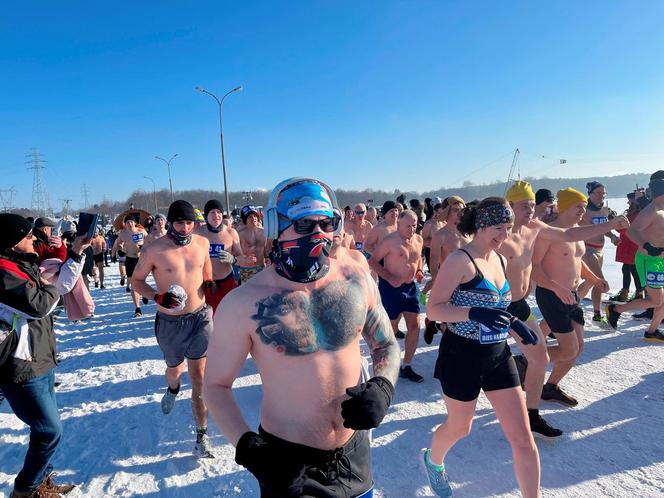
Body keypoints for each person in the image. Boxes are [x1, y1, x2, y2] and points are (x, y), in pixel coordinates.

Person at [204, 177, 400, 497]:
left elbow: (385, 343)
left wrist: (383, 386)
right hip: (286, 464)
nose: (318, 234)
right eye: (304, 224)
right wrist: (251, 450)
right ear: (275, 229)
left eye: (326, 223)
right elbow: (214, 385)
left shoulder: (354, 274)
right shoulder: (244, 303)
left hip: (354, 454)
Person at [425, 197, 540, 498]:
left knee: (523, 439)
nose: (504, 234)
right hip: (461, 355)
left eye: (509, 227)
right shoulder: (460, 260)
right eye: (499, 227)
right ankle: (434, 460)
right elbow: (434, 309)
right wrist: (473, 313)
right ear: (481, 225)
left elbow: (496, 306)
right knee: (460, 428)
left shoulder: (500, 259)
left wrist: (514, 322)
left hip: (498, 355)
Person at [500, 181, 628, 438]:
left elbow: (569, 236)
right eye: (525, 205)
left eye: (533, 204)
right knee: (474, 373)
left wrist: (610, 225)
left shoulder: (535, 227)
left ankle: (531, 415)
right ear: (510, 206)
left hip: (520, 306)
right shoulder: (498, 233)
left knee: (539, 357)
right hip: (495, 308)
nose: (531, 210)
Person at [0, 213, 90, 498]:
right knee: (49, 430)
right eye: (27, 236)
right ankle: (25, 490)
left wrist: (74, 253)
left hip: (41, 358)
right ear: (12, 243)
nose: (34, 239)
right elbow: (39, 304)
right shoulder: (3, 273)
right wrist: (50, 285)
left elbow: (54, 290)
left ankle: (41, 483)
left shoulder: (21, 264)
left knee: (44, 430)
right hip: (21, 365)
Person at [131, 200, 216, 458]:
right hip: (170, 322)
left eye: (190, 222)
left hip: (200, 316)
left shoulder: (202, 243)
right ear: (170, 222)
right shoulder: (154, 250)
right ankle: (173, 389)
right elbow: (136, 281)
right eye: (180, 222)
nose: (186, 227)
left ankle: (201, 436)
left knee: (200, 376)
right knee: (174, 369)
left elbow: (206, 266)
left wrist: (210, 281)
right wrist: (157, 297)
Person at [531, 188, 610, 407]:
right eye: (578, 206)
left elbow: (577, 261)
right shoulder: (549, 232)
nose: (582, 211)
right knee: (569, 349)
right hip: (551, 295)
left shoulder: (576, 232)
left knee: (578, 347)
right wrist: (557, 288)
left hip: (571, 295)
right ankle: (524, 362)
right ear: (565, 206)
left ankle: (550, 387)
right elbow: (535, 269)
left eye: (584, 207)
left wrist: (594, 279)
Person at [606, 171, 664, 341]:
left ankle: (652, 331)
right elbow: (631, 231)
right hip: (649, 260)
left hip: (660, 260)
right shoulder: (651, 210)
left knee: (662, 300)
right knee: (656, 300)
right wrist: (646, 245)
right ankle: (616, 309)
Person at [369, 210, 425, 383]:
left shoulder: (418, 239)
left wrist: (420, 270)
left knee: (414, 325)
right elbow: (373, 261)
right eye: (408, 225)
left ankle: (406, 365)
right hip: (390, 289)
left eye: (414, 225)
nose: (412, 228)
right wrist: (389, 278)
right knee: (390, 329)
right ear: (399, 224)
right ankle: (387, 363)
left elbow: (419, 259)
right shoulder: (389, 241)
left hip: (410, 288)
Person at [195, 199, 252, 312]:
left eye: (219, 212)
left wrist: (233, 259)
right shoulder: (197, 233)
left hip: (227, 282)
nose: (216, 215)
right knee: (208, 320)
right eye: (212, 212)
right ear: (206, 215)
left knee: (229, 315)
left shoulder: (231, 233)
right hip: (205, 284)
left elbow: (242, 259)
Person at [576, 181, 620, 324]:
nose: (601, 196)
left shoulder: (604, 209)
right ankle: (571, 306)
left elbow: (604, 228)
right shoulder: (583, 209)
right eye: (598, 193)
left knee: (591, 282)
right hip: (587, 249)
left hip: (600, 250)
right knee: (600, 282)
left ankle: (594, 312)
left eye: (604, 193)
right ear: (590, 194)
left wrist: (612, 236)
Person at [112, 216, 148, 316]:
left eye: (131, 222)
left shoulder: (142, 231)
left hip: (141, 259)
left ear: (135, 222)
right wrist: (116, 251)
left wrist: (144, 247)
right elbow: (117, 243)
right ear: (125, 224)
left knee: (141, 281)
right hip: (130, 260)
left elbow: (149, 242)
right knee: (133, 284)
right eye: (128, 222)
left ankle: (145, 293)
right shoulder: (123, 233)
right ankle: (137, 308)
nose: (130, 224)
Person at [237, 205, 266, 284]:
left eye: (255, 216)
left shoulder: (264, 233)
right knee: (247, 295)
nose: (253, 218)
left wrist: (268, 260)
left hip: (261, 268)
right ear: (245, 219)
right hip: (246, 270)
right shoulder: (239, 234)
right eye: (250, 216)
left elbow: (267, 252)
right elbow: (234, 256)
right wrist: (244, 259)